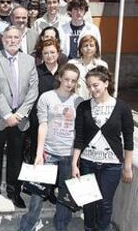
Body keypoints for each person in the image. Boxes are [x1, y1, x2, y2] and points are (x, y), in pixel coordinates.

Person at [19, 63, 83, 231]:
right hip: (49, 153)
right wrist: (39, 154)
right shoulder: (46, 97)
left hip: (69, 155)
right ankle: (29, 224)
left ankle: (61, 225)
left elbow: (80, 133)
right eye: (67, 79)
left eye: (73, 81)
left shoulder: (79, 102)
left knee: (65, 194)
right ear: (60, 78)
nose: (69, 83)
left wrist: (76, 161)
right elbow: (43, 126)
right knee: (37, 194)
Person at [72, 66, 134, 231]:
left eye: (96, 85)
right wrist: (74, 164)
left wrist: (127, 167)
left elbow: (128, 140)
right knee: (88, 202)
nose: (92, 89)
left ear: (106, 83)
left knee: (105, 203)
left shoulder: (122, 108)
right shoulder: (83, 107)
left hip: (111, 165)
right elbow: (79, 138)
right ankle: (88, 228)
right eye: (89, 86)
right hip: (87, 162)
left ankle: (103, 228)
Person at [0, 26, 38, 210]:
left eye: (16, 37)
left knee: (16, 158)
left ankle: (14, 191)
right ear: (3, 39)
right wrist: (7, 114)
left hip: (20, 119)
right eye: (9, 37)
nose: (12, 40)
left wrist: (19, 114)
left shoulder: (29, 60)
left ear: (21, 38)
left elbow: (33, 90)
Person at [27, 38, 68, 165]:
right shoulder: (35, 72)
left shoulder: (65, 72)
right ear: (41, 55)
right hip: (39, 119)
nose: (49, 56)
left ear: (58, 53)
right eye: (46, 53)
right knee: (36, 151)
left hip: (59, 120)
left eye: (52, 52)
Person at [68, 35, 108, 99]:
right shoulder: (72, 63)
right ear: (81, 49)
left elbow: (105, 86)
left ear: (96, 48)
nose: (88, 48)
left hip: (96, 100)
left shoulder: (102, 65)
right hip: (76, 100)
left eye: (91, 45)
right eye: (85, 45)